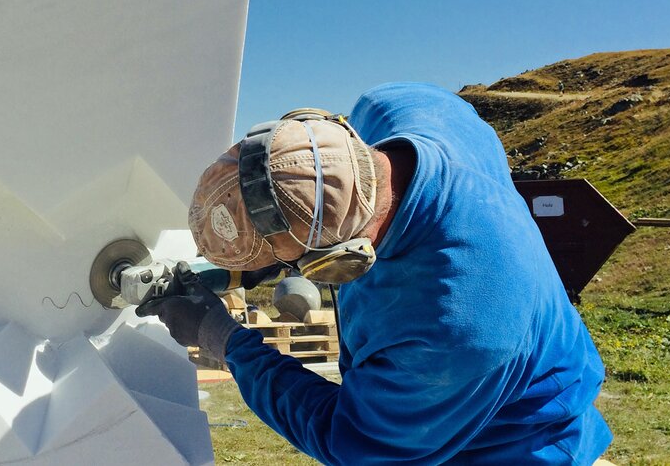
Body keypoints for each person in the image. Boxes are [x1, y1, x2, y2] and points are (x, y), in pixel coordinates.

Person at [139, 83, 612, 464]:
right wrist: (248, 270)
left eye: (293, 264)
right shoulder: (399, 108)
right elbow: (321, 200)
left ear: (341, 260)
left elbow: (353, 443)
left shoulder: (451, 331)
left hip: (509, 444)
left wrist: (224, 340)